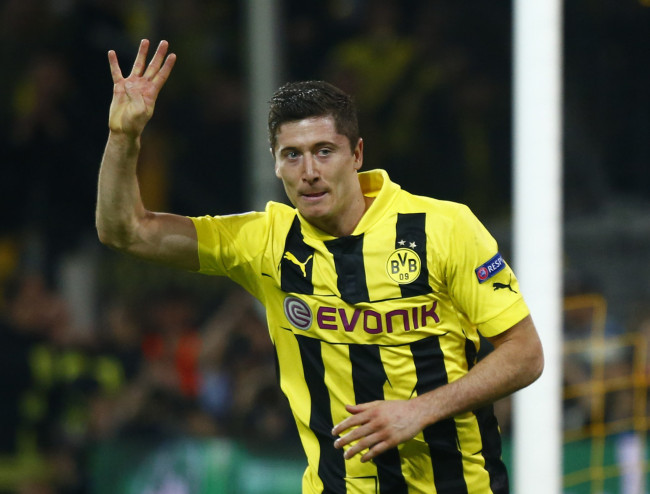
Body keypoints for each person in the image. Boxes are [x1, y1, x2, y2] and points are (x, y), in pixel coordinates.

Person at [96, 39, 544, 494]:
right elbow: (125, 231)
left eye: (324, 151)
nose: (309, 171)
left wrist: (419, 410)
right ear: (275, 163)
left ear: (357, 154)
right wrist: (123, 137)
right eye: (292, 154)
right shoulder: (265, 242)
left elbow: (525, 354)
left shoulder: (442, 228)